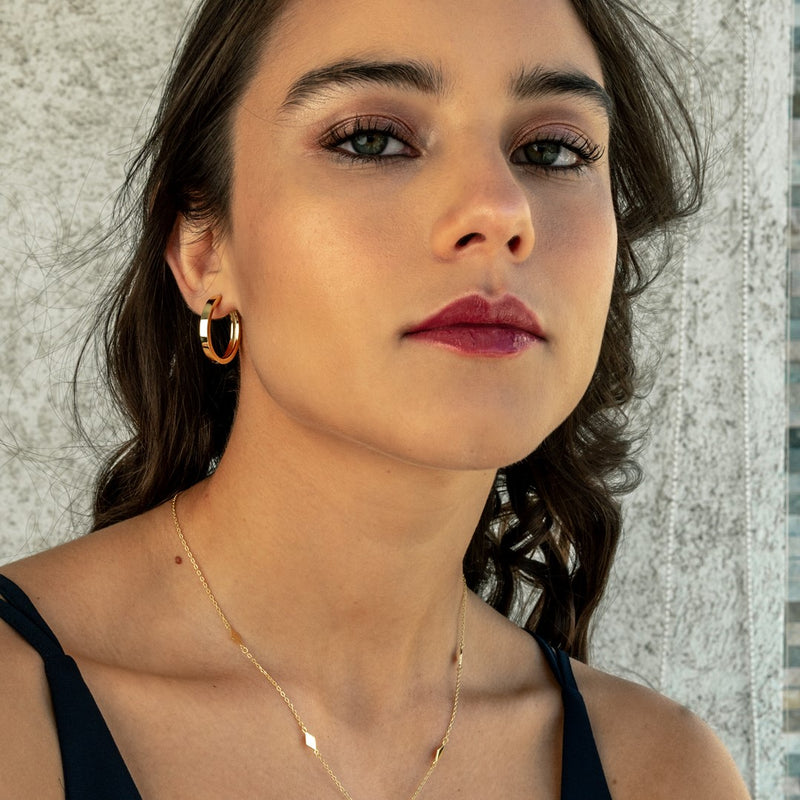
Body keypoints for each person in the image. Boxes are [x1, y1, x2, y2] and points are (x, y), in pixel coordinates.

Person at [0, 0, 751, 797]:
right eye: (371, 140)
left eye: (552, 150)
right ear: (203, 247)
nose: (502, 211)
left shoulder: (664, 773)